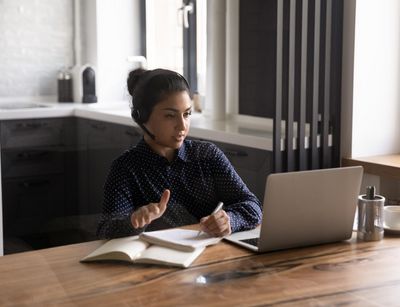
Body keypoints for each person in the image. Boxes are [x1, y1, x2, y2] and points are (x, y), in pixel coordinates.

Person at [96, 68, 262, 239]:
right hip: (156, 262)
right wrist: (133, 221)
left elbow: (252, 205)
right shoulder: (125, 168)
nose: (182, 126)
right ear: (142, 116)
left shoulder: (208, 155)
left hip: (211, 257)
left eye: (187, 114)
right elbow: (106, 230)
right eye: (170, 116)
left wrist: (230, 220)